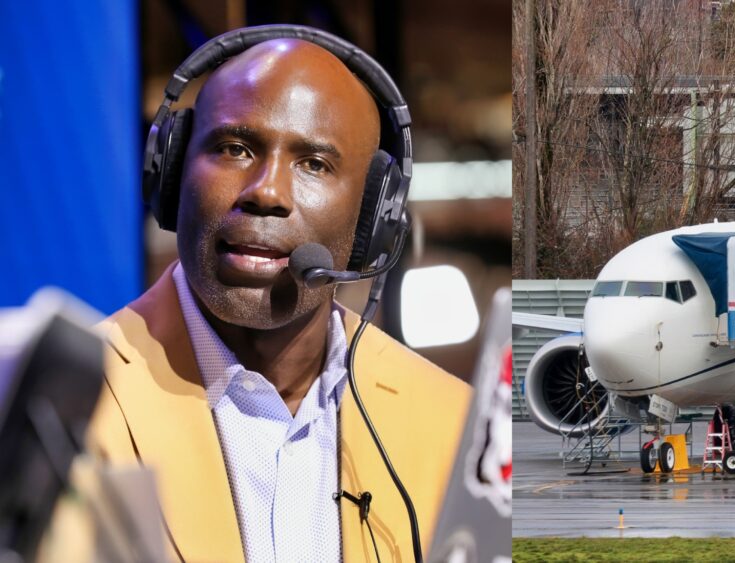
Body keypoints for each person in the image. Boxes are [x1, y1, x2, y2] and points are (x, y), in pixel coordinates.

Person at [47, 29, 471, 562]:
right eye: (235, 148)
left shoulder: (453, 420)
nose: (266, 192)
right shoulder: (62, 407)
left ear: (374, 218)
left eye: (314, 163)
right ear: (172, 174)